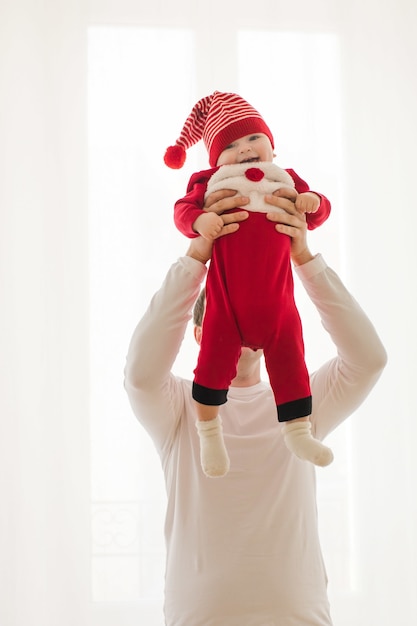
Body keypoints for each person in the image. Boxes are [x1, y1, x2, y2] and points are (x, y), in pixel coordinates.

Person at [123, 190, 387, 625]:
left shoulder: (302, 406)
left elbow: (369, 359)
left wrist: (303, 258)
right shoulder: (179, 410)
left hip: (298, 616)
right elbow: (139, 373)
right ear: (199, 334)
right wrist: (197, 256)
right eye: (229, 313)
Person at [164, 91, 333, 476]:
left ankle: (297, 431)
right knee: (208, 368)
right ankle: (209, 433)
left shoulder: (285, 179)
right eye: (231, 145)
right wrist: (198, 222)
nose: (244, 150)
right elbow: (182, 210)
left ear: (272, 145)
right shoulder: (209, 182)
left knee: (291, 361)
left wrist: (312, 202)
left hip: (278, 304)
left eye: (253, 138)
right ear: (215, 159)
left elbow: (320, 208)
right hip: (225, 305)